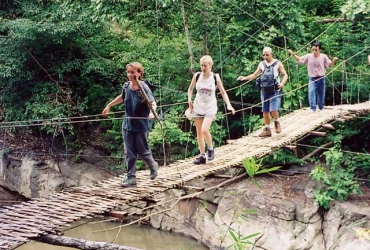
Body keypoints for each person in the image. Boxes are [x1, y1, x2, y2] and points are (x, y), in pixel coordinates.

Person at [102, 62, 158, 188]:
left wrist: (152, 113)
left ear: (139, 73)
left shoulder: (144, 87)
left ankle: (153, 165)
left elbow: (153, 102)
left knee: (142, 149)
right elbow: (122, 97)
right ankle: (131, 176)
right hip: (128, 124)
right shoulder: (126, 86)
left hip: (141, 124)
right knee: (129, 151)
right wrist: (109, 105)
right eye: (128, 72)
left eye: (133, 72)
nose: (130, 75)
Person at [187, 55, 235, 165]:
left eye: (205, 66)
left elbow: (223, 92)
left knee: (204, 129)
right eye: (201, 65)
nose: (203, 68)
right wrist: (189, 100)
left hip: (210, 107)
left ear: (210, 66)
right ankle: (202, 156)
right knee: (199, 132)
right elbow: (190, 89)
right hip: (198, 106)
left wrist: (229, 105)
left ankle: (210, 148)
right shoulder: (197, 76)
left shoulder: (215, 77)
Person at [237, 47, 288, 137]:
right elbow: (254, 75)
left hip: (275, 89)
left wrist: (282, 83)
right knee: (265, 110)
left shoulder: (277, 63)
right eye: (264, 54)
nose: (265, 56)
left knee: (273, 108)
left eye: (267, 54)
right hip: (264, 90)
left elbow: (285, 74)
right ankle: (267, 129)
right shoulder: (262, 64)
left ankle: (276, 122)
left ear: (271, 54)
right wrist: (244, 78)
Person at [288, 42, 338, 112]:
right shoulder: (308, 56)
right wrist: (292, 54)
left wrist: (334, 60)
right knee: (311, 92)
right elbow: (299, 59)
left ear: (319, 50)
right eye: (313, 49)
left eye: (316, 50)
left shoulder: (323, 56)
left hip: (321, 77)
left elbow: (330, 64)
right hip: (312, 78)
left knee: (321, 93)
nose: (314, 51)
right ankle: (313, 108)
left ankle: (321, 108)